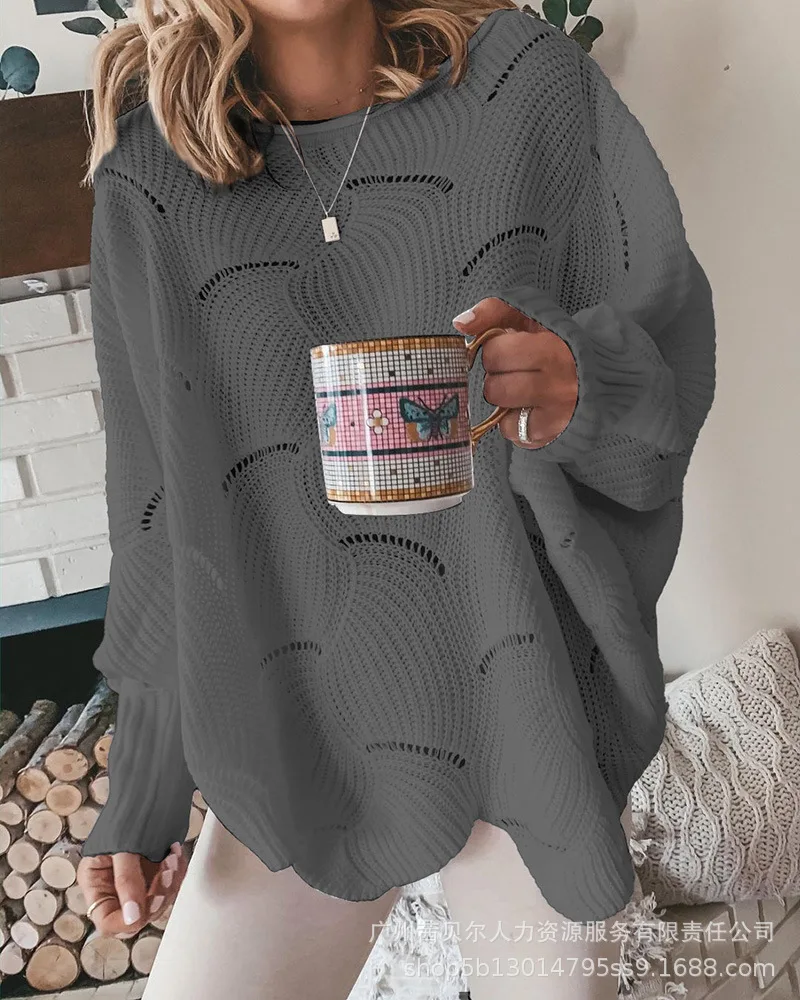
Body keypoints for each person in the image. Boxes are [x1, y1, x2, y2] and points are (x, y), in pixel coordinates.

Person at [75, 0, 716, 997]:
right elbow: (156, 516)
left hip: (525, 708)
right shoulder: (151, 176)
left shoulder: (525, 84)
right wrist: (143, 785)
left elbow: (661, 360)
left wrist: (580, 385)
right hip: (301, 732)